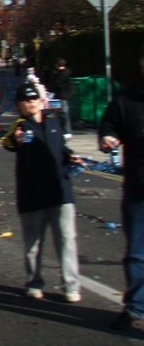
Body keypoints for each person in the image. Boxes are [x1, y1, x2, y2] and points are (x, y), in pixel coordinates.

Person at [2, 83, 83, 303]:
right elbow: (8, 142)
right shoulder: (19, 126)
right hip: (32, 194)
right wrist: (15, 140)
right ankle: (34, 281)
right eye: (26, 100)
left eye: (34, 99)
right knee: (34, 243)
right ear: (19, 105)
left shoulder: (53, 121)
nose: (31, 103)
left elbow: (60, 149)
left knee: (67, 239)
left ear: (41, 100)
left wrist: (71, 157)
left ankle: (71, 286)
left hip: (60, 191)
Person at [100, 50, 144, 329]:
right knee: (137, 253)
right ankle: (136, 307)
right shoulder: (126, 98)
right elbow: (109, 123)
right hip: (138, 188)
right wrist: (107, 136)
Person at [52, 58, 73, 136]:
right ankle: (62, 129)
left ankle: (67, 131)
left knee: (64, 114)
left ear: (58, 65)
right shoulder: (64, 73)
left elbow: (56, 82)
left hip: (62, 96)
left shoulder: (63, 74)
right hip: (59, 96)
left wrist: (55, 75)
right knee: (58, 113)